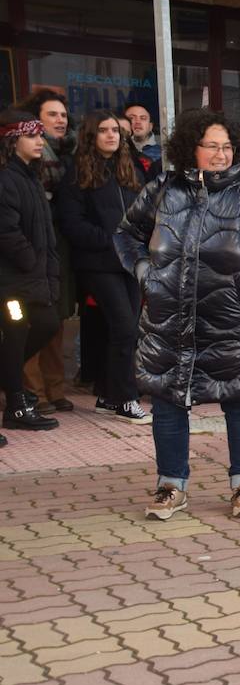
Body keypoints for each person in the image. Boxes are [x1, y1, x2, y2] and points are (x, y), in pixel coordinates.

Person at [113, 108, 240, 521]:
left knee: (239, 402)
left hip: (233, 320)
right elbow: (126, 232)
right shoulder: (164, 189)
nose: (221, 155)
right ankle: (171, 484)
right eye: (211, 146)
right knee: (167, 403)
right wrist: (142, 268)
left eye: (227, 147)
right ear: (191, 148)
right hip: (169, 319)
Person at [54, 110, 151, 423]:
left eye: (115, 130)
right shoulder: (76, 172)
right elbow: (71, 222)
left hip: (131, 263)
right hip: (99, 262)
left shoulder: (130, 169)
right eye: (104, 130)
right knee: (124, 328)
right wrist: (112, 240)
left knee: (127, 329)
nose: (111, 135)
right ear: (90, 135)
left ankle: (109, 395)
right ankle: (124, 398)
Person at [0, 111, 61, 436]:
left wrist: (47, 272)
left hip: (32, 278)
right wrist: (30, 262)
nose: (40, 141)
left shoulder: (30, 177)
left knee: (46, 324)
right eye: (32, 135)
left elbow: (44, 233)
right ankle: (15, 404)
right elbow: (7, 231)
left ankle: (10, 386)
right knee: (15, 334)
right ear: (13, 141)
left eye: (41, 135)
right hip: (11, 283)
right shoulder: (7, 177)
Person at [18, 91, 74, 413]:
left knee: (57, 317)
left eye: (63, 114)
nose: (60, 120)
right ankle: (33, 391)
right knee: (32, 319)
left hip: (59, 247)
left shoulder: (70, 155)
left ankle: (55, 389)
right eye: (52, 114)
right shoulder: (26, 163)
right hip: (33, 249)